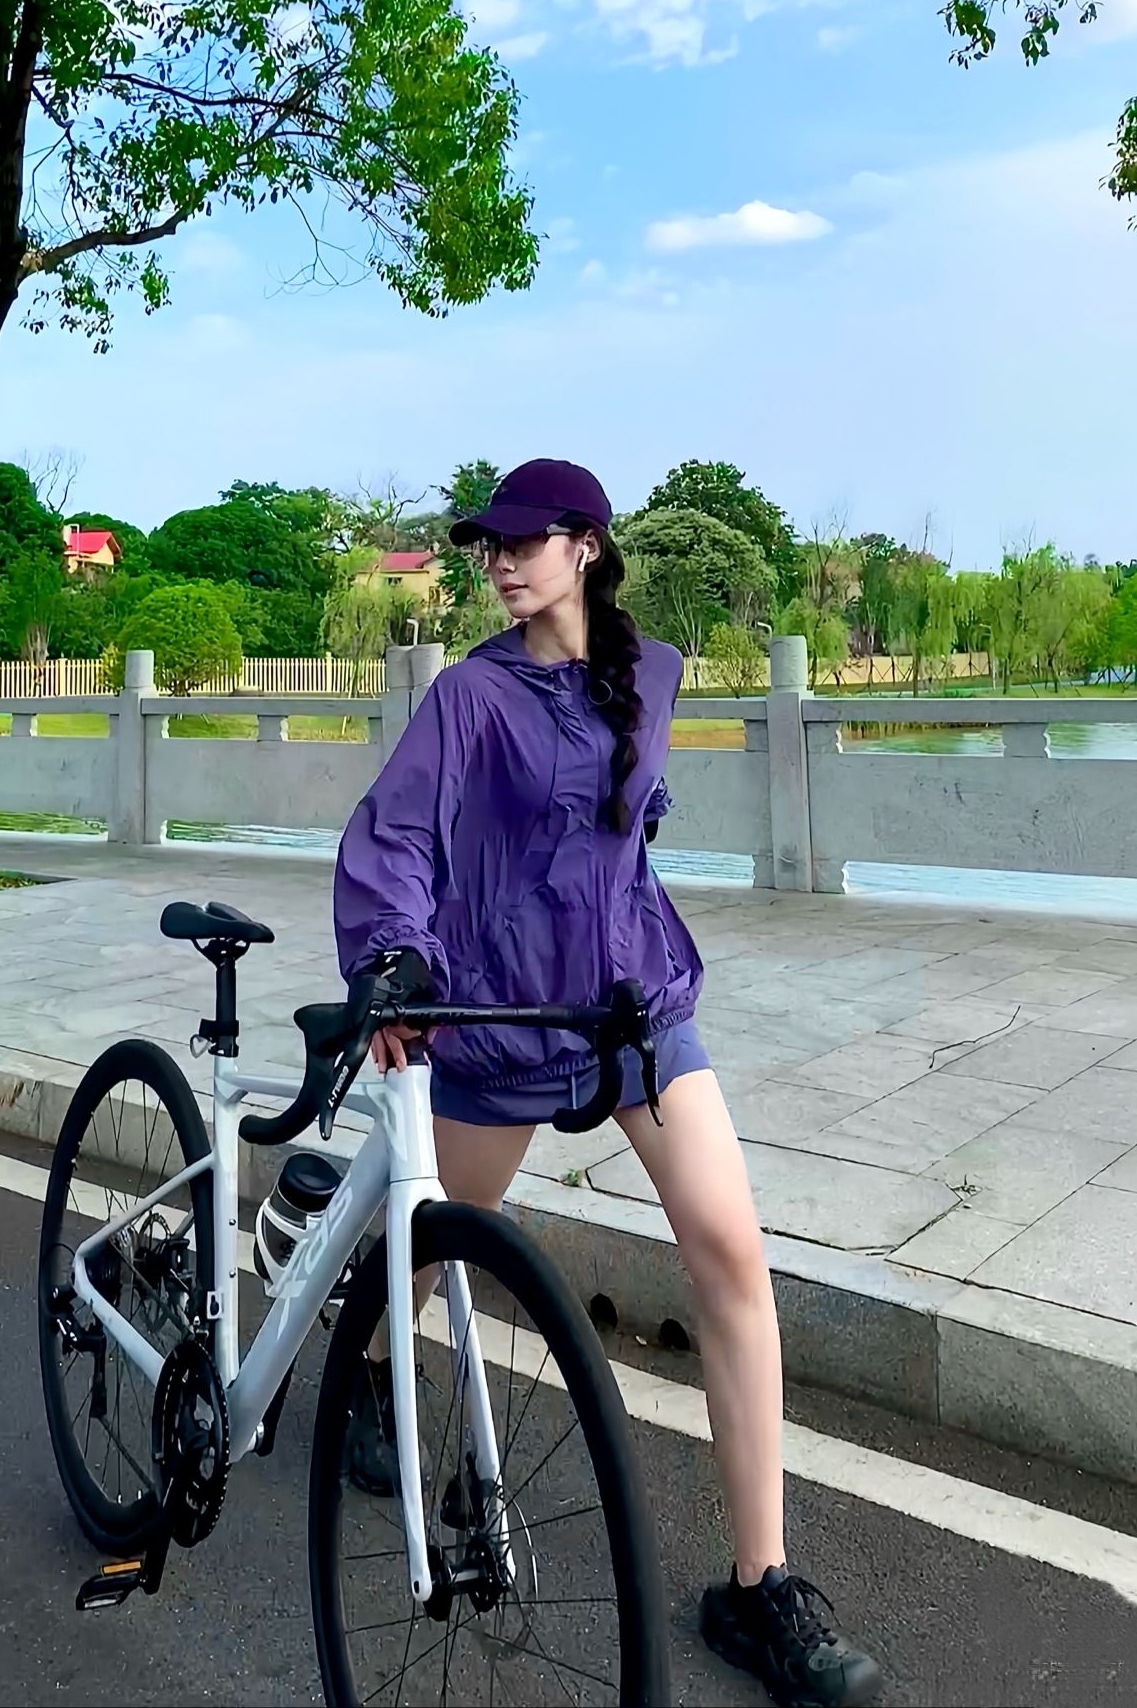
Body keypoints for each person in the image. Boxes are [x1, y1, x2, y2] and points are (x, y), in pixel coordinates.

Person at [331, 458, 882, 1708]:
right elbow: (398, 835)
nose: (499, 562)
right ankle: (369, 1367)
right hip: (506, 1014)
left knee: (731, 1253)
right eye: (488, 546)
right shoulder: (470, 696)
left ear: (585, 546)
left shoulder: (656, 672)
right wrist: (394, 958)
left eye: (523, 542)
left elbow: (621, 833)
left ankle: (761, 1587)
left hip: (634, 1006)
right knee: (431, 1243)